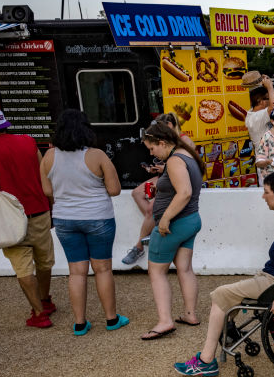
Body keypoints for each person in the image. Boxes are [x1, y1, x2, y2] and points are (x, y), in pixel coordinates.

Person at [173, 170, 274, 377]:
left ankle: (206, 361)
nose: (263, 197)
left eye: (266, 192)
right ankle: (228, 331)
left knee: (220, 295)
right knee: (231, 294)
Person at [39, 110, 129, 336]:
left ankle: (80, 323)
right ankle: (111, 319)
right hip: (98, 217)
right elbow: (114, 190)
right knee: (102, 269)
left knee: (76, 272)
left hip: (64, 219)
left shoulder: (49, 156)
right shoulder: (97, 155)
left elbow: (47, 190)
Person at [0, 108, 57, 327]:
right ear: (5, 124)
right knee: (44, 260)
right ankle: (46, 300)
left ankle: (39, 314)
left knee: (23, 266)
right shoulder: (28, 141)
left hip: (8, 217)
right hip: (39, 209)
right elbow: (44, 175)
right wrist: (51, 204)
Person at [140, 121, 204, 340]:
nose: (152, 153)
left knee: (156, 271)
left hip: (175, 223)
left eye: (152, 148)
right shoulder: (186, 154)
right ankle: (190, 314)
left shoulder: (175, 160)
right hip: (190, 220)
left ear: (162, 142)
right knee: (184, 269)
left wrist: (165, 218)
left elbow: (184, 192)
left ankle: (165, 321)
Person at [122, 113, 195, 266]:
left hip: (178, 179)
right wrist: (159, 168)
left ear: (169, 126)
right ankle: (156, 225)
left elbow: (186, 168)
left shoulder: (184, 141)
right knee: (137, 193)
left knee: (151, 208)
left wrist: (164, 168)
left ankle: (139, 246)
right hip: (167, 175)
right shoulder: (168, 142)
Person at [242, 71, 274, 149]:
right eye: (268, 99)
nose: (270, 101)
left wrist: (268, 85)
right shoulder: (256, 117)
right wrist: (270, 87)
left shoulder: (253, 113)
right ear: (260, 101)